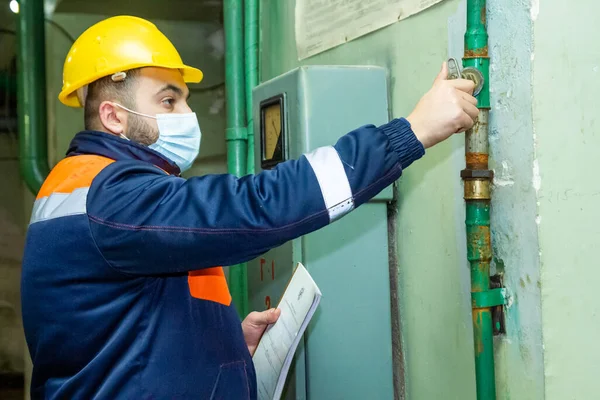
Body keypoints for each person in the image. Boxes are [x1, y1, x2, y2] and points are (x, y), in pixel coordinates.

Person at [21, 15, 478, 399]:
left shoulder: (90, 188)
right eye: (167, 100)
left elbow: (115, 330)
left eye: (183, 99)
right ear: (114, 117)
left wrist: (221, 343)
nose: (186, 113)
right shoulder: (112, 195)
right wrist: (411, 132)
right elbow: (255, 208)